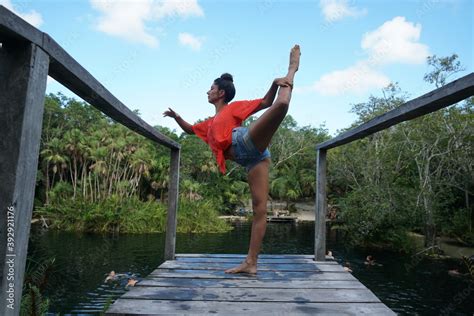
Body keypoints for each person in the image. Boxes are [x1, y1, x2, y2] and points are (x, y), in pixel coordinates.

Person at [163, 45, 301, 274]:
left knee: (281, 105)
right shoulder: (208, 124)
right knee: (259, 210)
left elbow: (266, 102)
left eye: (211, 88)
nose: (207, 91)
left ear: (221, 93)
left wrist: (273, 84)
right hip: (252, 160)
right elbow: (189, 130)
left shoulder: (234, 108)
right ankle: (251, 263)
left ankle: (292, 70)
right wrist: (177, 117)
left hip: (246, 142)